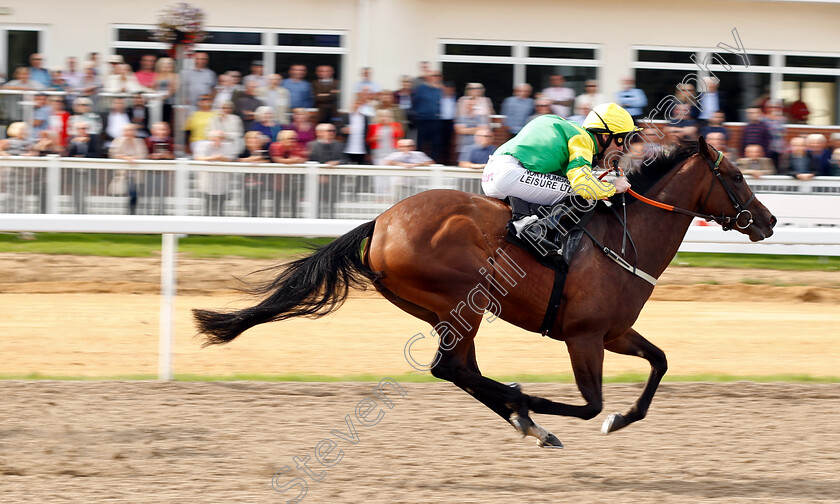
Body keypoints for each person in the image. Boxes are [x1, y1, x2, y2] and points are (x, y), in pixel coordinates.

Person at [481, 103, 637, 253]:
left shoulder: (562, 126)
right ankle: (536, 231)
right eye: (620, 139)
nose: (621, 148)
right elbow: (582, 186)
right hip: (509, 175)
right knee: (583, 195)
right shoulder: (583, 139)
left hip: (490, 174)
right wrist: (613, 188)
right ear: (604, 136)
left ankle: (525, 220)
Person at [308, 123, 349, 218]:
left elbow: (346, 160)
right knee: (316, 203)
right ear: (319, 133)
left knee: (332, 203)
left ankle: (331, 218)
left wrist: (337, 162)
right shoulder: (311, 145)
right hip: (317, 181)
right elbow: (310, 161)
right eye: (328, 130)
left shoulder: (340, 145)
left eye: (333, 130)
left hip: (334, 182)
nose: (331, 133)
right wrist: (319, 175)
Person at [109, 123, 149, 215]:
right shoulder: (118, 141)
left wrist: (134, 158)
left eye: (131, 130)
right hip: (123, 174)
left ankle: (131, 213)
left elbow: (143, 155)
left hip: (135, 174)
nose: (129, 132)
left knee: (133, 195)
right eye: (127, 130)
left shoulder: (139, 142)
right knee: (122, 194)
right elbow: (113, 154)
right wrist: (126, 158)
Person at [194, 130, 236, 216]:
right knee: (207, 205)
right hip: (207, 180)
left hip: (222, 181)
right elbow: (198, 157)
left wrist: (220, 158)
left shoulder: (228, 146)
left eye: (220, 138)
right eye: (215, 138)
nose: (218, 140)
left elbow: (232, 158)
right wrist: (213, 157)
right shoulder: (203, 145)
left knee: (221, 206)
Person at [64, 121, 102, 214]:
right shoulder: (71, 140)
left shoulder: (93, 139)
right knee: (75, 193)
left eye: (85, 128)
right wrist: (75, 143)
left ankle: (83, 211)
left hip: (87, 171)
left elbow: (97, 153)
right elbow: (68, 154)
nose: (83, 130)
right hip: (74, 172)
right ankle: (77, 211)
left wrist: (83, 157)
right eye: (80, 128)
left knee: (84, 192)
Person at [269, 129, 309, 217]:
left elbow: (302, 159)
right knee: (277, 202)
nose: (292, 141)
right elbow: (277, 159)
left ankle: (294, 218)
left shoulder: (299, 146)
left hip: (293, 180)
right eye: (290, 138)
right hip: (278, 180)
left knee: (294, 201)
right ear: (283, 139)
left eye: (294, 138)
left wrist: (287, 161)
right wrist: (292, 160)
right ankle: (276, 219)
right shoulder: (275, 146)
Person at [239, 131, 273, 218]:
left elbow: (268, 160)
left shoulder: (264, 150)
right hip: (246, 184)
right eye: (253, 138)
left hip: (261, 184)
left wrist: (254, 160)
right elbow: (238, 160)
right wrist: (253, 159)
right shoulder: (244, 150)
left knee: (258, 205)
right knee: (247, 204)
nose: (256, 140)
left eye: (257, 138)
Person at [411, 70, 443, 162]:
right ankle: (419, 162)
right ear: (428, 77)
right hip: (423, 120)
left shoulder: (441, 89)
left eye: (438, 75)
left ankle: (434, 163)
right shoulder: (421, 88)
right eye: (433, 75)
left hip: (437, 121)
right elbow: (416, 102)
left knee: (436, 144)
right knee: (420, 144)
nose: (435, 77)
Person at [145, 121, 175, 215]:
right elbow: (144, 155)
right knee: (148, 194)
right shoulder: (148, 141)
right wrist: (152, 156)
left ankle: (161, 212)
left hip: (163, 173)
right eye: (159, 129)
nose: (162, 131)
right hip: (149, 172)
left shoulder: (170, 141)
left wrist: (167, 155)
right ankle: (148, 212)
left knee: (162, 194)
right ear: (153, 130)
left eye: (164, 129)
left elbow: (173, 156)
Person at [154, 57, 178, 124]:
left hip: (170, 102)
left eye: (169, 63)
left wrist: (163, 96)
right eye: (164, 63)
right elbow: (154, 87)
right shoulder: (157, 76)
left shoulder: (175, 76)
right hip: (158, 102)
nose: (167, 65)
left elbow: (173, 89)